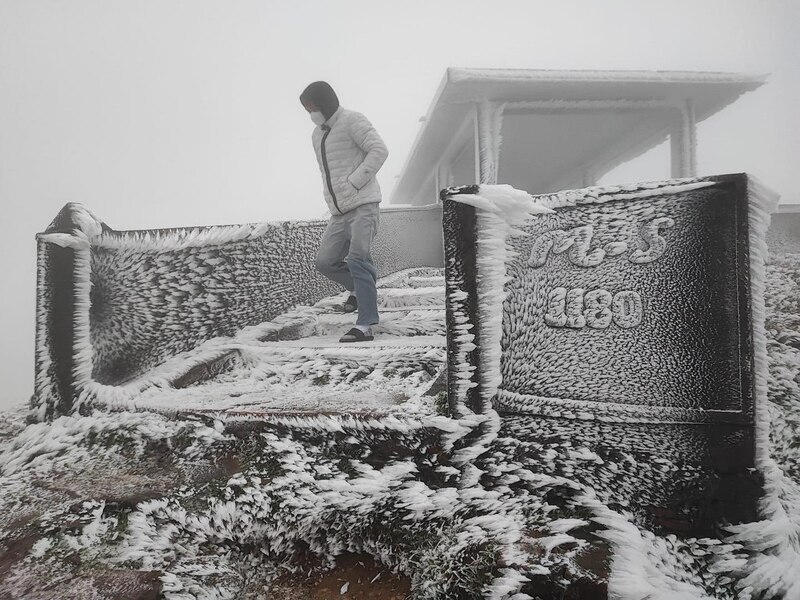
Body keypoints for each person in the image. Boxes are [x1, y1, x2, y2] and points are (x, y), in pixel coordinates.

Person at [300, 81, 388, 343]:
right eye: (307, 110)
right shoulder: (317, 135)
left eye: (313, 107)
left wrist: (355, 182)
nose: (311, 114)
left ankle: (365, 325)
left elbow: (379, 150)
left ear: (325, 102)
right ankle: (359, 289)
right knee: (325, 262)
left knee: (358, 259)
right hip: (339, 211)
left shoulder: (352, 120)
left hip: (364, 203)